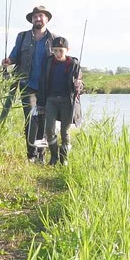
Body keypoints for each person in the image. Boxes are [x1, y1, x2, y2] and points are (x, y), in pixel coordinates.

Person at [1, 5, 58, 163]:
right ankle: (31, 155)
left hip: (47, 87)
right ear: (32, 20)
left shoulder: (54, 38)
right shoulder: (22, 36)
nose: (38, 19)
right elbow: (14, 56)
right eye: (35, 16)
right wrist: (8, 61)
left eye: (41, 16)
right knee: (30, 119)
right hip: (26, 84)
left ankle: (41, 154)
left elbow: (61, 60)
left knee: (44, 121)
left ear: (46, 19)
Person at [37, 37, 83, 166]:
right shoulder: (48, 62)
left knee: (65, 131)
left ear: (67, 50)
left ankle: (64, 158)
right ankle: (54, 157)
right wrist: (40, 102)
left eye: (60, 51)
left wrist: (78, 84)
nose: (57, 54)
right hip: (51, 100)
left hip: (67, 101)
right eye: (55, 50)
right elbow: (42, 82)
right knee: (49, 129)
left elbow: (80, 83)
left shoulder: (74, 64)